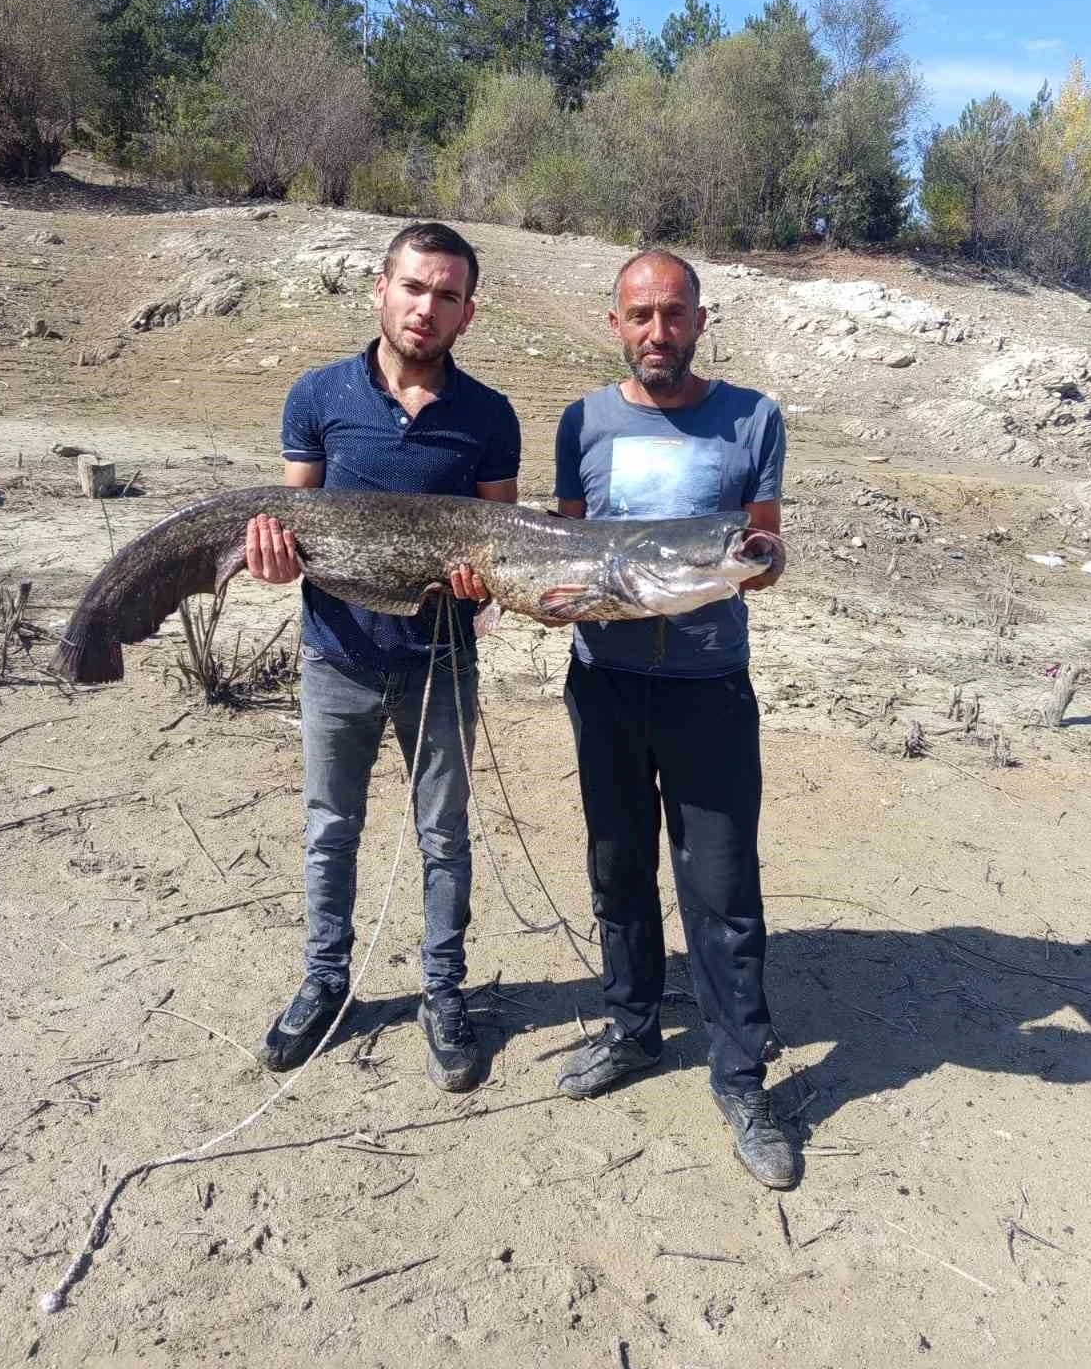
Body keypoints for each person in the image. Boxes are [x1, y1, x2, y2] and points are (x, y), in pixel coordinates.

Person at [246, 222, 520, 1092]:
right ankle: (326, 980)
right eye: (414, 287)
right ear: (381, 288)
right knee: (331, 829)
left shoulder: (490, 417)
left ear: (467, 313)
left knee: (444, 835)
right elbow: (292, 521)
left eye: (447, 295)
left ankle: (443, 991)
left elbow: (503, 544)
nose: (425, 308)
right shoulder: (317, 396)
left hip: (442, 663)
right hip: (338, 655)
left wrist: (481, 587)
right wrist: (272, 559)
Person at [550, 248, 796, 1189]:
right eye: (641, 315)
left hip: (709, 691)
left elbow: (764, 549)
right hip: (604, 685)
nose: (659, 332)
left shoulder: (753, 418)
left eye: (675, 314)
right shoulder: (583, 421)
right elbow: (566, 548)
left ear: (699, 320)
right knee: (618, 870)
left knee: (723, 892)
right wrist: (553, 599)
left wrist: (760, 562)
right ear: (616, 322)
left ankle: (741, 1078)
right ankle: (633, 1028)